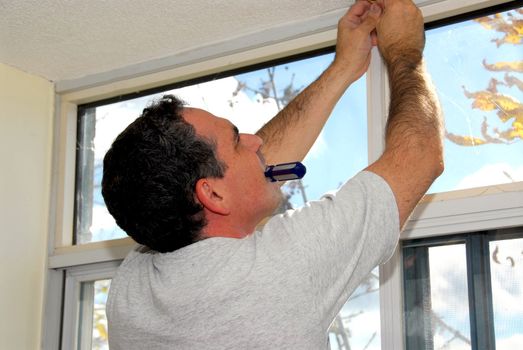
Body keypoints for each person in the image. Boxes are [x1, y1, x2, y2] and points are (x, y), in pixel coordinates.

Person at [102, 0, 444, 348]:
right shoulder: (278, 268)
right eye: (237, 141)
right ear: (212, 195)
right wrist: (404, 50)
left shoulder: (132, 287)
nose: (255, 141)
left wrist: (344, 67)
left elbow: (239, 179)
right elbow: (418, 158)